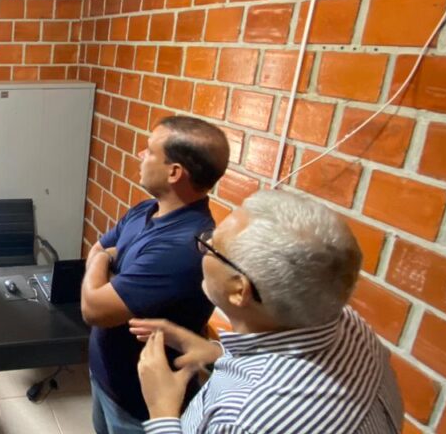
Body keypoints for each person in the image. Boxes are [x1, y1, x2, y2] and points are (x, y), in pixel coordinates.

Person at [134, 189, 403, 433]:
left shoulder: (242, 419)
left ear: (239, 290)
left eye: (212, 245)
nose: (203, 247)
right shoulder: (350, 325)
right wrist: (217, 354)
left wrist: (162, 410)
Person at [82, 115, 230, 433]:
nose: (140, 155)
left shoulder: (182, 247)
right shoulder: (144, 210)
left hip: (139, 406)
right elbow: (97, 248)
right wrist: (102, 259)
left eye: (149, 151)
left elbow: (93, 308)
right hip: (106, 376)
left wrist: (103, 261)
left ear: (174, 172)